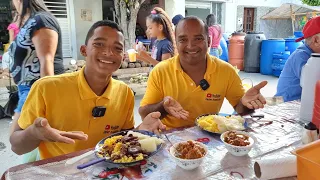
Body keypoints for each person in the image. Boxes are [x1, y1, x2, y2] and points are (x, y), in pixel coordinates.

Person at [10, 20, 165, 160]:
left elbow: (123, 139)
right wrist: (34, 133)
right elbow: (17, 147)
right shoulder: (46, 88)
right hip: (60, 172)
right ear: (84, 50)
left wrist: (141, 130)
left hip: (105, 169)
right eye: (99, 44)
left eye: (117, 48)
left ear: (122, 56)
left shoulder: (124, 93)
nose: (108, 52)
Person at [139, 16, 267, 129]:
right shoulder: (160, 71)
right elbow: (144, 114)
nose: (190, 45)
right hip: (169, 140)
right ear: (176, 43)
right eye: (183, 40)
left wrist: (247, 104)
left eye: (198, 39)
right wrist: (163, 107)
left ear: (209, 41)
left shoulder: (226, 71)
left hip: (209, 140)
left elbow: (241, 110)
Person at [275, 16, 320, 102]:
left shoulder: (315, 55)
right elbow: (311, 83)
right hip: (286, 104)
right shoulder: (301, 56)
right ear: (316, 40)